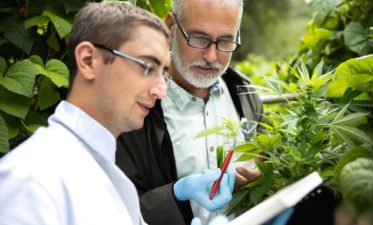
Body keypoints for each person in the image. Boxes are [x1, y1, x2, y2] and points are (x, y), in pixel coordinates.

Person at [0, 2, 234, 225]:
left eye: (162, 71)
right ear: (89, 60)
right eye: (146, 67)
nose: (161, 91)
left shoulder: (115, 178)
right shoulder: (29, 179)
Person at [116, 0, 265, 224]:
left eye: (225, 40)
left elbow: (266, 163)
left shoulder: (244, 94)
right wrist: (175, 194)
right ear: (169, 27)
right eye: (199, 38)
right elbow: (113, 209)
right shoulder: (130, 107)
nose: (211, 56)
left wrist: (260, 176)